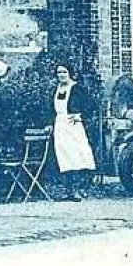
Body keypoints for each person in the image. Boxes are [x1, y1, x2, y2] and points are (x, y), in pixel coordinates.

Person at [51, 64, 96, 201]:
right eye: (59, 72)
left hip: (74, 126)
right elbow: (49, 109)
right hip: (60, 125)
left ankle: (79, 189)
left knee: (78, 155)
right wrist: (49, 123)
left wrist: (80, 116)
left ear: (70, 73)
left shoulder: (77, 88)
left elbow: (91, 105)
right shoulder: (56, 89)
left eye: (64, 72)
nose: (61, 75)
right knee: (64, 157)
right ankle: (68, 190)